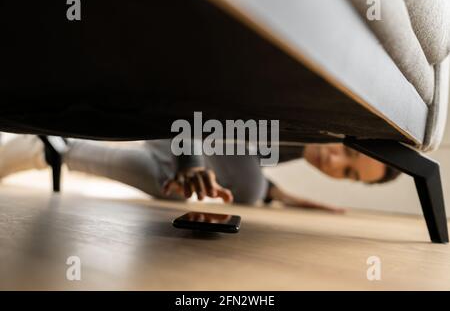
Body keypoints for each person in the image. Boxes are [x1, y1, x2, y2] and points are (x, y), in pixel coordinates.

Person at [0, 135, 400, 213]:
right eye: (346, 152)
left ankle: (52, 150)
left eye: (347, 173)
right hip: (176, 124)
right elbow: (198, 103)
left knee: (173, 189)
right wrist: (192, 164)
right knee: (180, 185)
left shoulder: (296, 147)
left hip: (178, 146)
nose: (333, 164)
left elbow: (243, 158)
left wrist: (281, 197)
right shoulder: (299, 111)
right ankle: (53, 150)